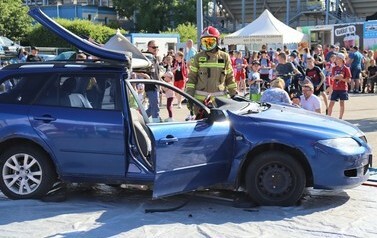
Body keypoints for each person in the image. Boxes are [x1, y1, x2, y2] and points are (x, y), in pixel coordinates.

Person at [186, 26, 237, 109]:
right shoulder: (198, 57)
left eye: (210, 41)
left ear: (217, 41)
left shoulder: (224, 57)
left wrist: (234, 94)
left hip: (220, 103)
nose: (207, 44)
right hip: (200, 104)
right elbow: (191, 79)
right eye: (205, 41)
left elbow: (230, 78)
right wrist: (190, 97)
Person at [327, 53, 351, 119]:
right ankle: (328, 117)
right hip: (335, 88)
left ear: (341, 59)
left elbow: (349, 80)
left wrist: (341, 79)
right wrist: (334, 77)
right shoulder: (334, 68)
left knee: (342, 103)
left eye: (337, 58)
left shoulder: (346, 68)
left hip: (343, 88)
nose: (336, 60)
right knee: (331, 103)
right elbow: (331, 78)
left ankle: (340, 118)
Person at [144, 40, 161, 122]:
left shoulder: (155, 57)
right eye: (153, 47)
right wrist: (145, 76)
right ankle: (156, 122)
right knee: (155, 106)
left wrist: (160, 84)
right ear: (148, 47)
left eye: (157, 47)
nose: (155, 49)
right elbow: (134, 70)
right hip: (151, 85)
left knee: (152, 107)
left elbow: (157, 73)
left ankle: (139, 118)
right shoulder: (146, 57)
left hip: (156, 84)